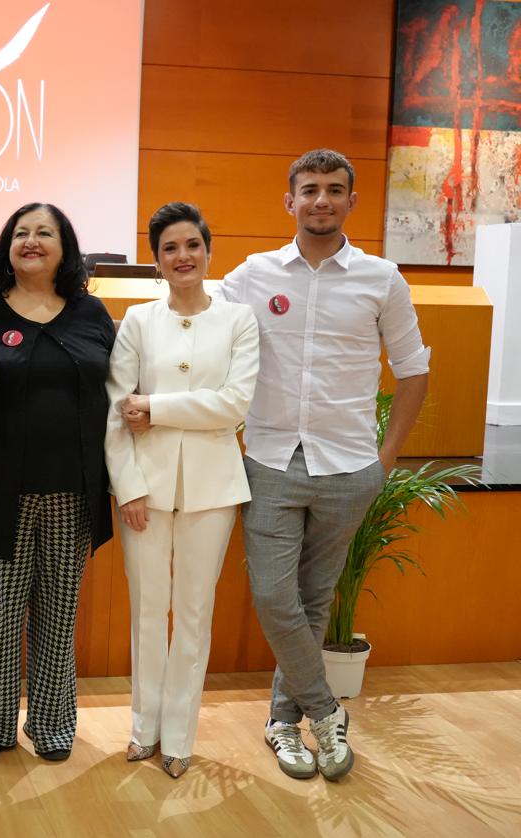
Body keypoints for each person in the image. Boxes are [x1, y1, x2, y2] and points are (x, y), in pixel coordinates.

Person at [218, 149, 430, 781]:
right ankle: (326, 711)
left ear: (350, 202)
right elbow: (196, 320)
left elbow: (414, 370)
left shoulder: (382, 278)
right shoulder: (253, 274)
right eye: (309, 189)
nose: (321, 200)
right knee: (272, 594)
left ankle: (284, 724)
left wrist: (385, 460)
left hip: (348, 466)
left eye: (335, 189)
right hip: (270, 461)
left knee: (312, 601)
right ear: (290, 200)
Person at [0, 203, 115, 764]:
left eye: (45, 232)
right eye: (21, 233)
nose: (32, 241)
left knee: (58, 615)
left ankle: (51, 723)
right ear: (7, 246)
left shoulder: (91, 312)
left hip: (73, 489)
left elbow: (114, 386)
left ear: (65, 248)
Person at [105, 202, 260, 778]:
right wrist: (127, 486)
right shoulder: (138, 320)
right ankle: (143, 729)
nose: (183, 256)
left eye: (192, 244)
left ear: (208, 251)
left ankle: (178, 736)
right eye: (169, 248)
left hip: (213, 489)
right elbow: (116, 410)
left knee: (194, 613)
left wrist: (155, 406)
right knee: (147, 610)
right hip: (144, 488)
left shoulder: (239, 320)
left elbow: (233, 405)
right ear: (156, 260)